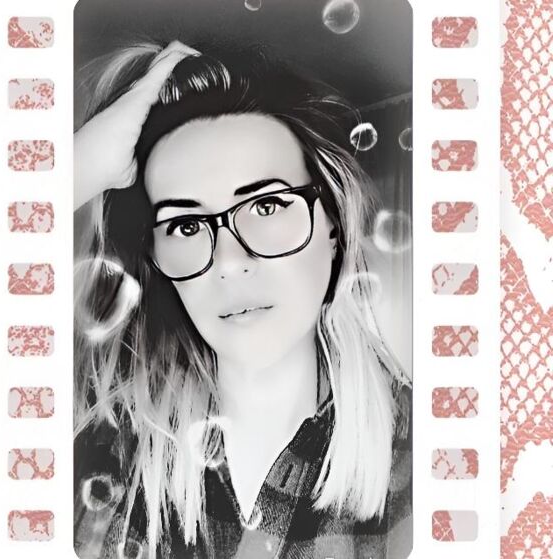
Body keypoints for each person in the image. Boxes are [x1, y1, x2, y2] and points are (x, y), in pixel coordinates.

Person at [73, 39, 412, 559]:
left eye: (267, 205)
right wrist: (68, 175)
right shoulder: (104, 442)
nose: (230, 262)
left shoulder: (440, 449)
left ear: (334, 226)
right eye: (186, 225)